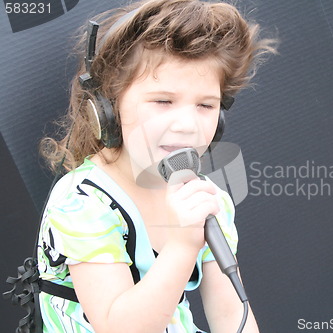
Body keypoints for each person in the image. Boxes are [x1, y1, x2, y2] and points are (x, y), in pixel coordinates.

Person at [37, 0, 276, 332]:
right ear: (107, 106)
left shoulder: (206, 199)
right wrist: (181, 245)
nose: (187, 125)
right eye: (163, 101)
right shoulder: (82, 202)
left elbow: (231, 314)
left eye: (206, 105)